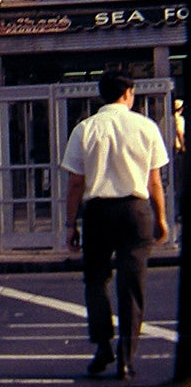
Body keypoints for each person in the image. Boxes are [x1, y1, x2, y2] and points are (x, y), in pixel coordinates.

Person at [61, 70, 169, 380]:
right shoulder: (146, 127)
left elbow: (74, 183)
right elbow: (154, 181)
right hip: (135, 211)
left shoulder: (85, 129)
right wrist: (160, 218)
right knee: (132, 285)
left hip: (98, 212)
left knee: (95, 281)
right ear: (126, 94)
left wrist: (71, 225)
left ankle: (102, 345)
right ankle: (126, 358)